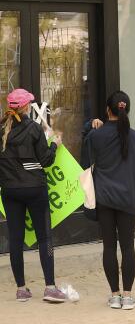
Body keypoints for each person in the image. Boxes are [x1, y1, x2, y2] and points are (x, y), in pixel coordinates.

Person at [0, 88, 67, 303]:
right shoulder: (34, 129)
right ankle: (50, 287)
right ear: (26, 107)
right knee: (44, 237)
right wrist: (55, 144)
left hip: (10, 191)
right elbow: (46, 161)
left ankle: (21, 289)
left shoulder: (1, 129)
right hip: (35, 189)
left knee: (16, 240)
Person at [85, 91, 135, 310]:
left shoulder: (96, 136)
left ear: (107, 110)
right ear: (127, 109)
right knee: (128, 247)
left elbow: (86, 155)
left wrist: (89, 125)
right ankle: (128, 296)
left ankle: (114, 295)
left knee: (109, 247)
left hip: (104, 198)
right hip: (129, 198)